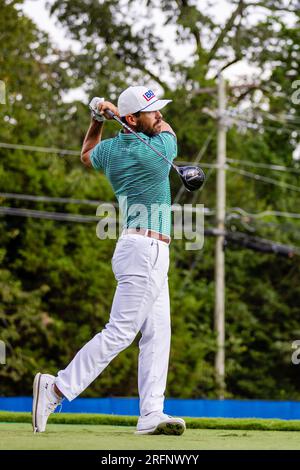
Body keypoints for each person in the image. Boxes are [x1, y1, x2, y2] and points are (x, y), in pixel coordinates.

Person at [32, 85, 186, 436]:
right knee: (120, 331)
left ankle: (151, 413)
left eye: (159, 109)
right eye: (152, 111)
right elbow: (168, 131)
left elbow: (86, 154)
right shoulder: (157, 151)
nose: (159, 115)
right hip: (145, 250)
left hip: (142, 250)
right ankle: (56, 388)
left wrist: (96, 118)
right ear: (132, 119)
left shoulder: (113, 150)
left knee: (158, 333)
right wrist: (111, 114)